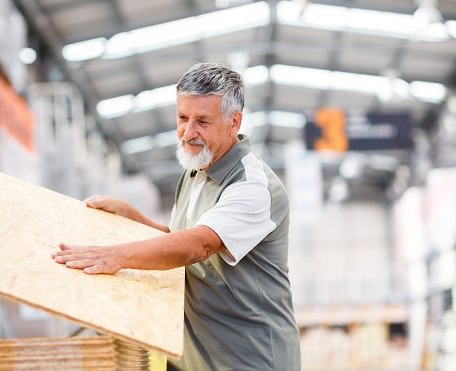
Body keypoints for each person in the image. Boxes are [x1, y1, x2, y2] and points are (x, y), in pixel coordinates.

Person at [52, 62, 301, 371]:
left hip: (248, 359)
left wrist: (114, 256)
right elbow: (177, 238)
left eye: (202, 121)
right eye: (183, 118)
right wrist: (132, 217)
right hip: (197, 357)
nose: (188, 132)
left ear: (234, 122)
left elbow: (199, 246)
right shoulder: (196, 171)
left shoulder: (252, 187)